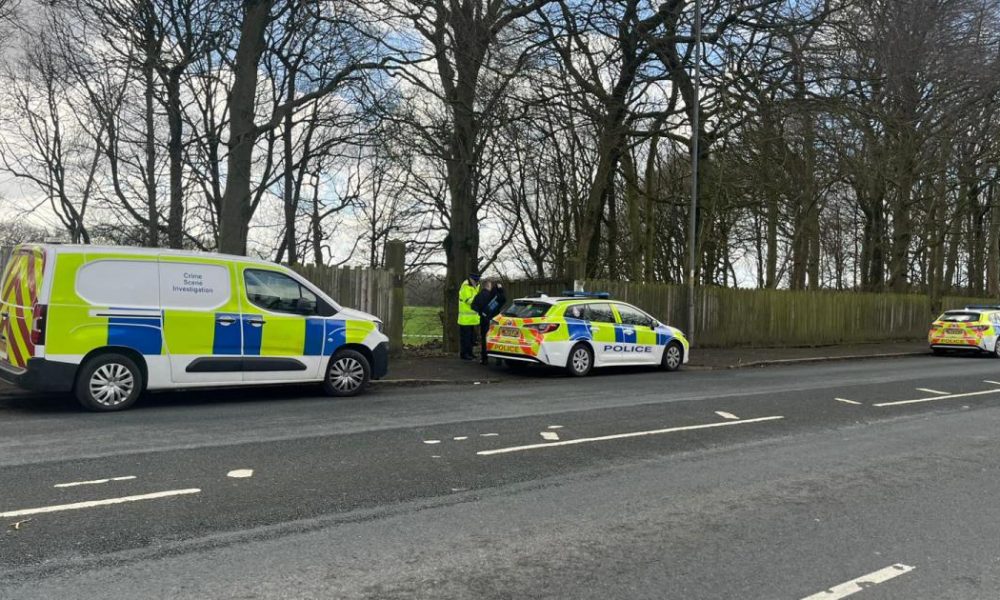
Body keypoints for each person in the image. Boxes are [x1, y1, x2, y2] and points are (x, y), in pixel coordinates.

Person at [472, 279, 507, 365]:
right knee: (497, 338)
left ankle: (484, 359)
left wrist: (482, 312)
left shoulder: (478, 296)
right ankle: (498, 360)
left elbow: (473, 307)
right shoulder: (494, 295)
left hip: (484, 320)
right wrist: (500, 289)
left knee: (485, 339)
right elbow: (503, 299)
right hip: (494, 320)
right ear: (488, 286)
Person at [457, 272, 481, 360]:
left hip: (472, 319)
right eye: (475, 280)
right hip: (465, 319)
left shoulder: (476, 286)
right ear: (471, 279)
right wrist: (478, 299)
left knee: (471, 338)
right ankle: (464, 354)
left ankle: (470, 353)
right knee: (465, 338)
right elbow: (468, 300)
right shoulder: (465, 287)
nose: (477, 282)